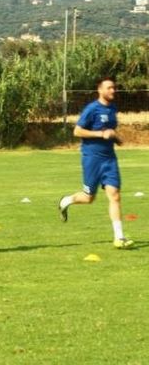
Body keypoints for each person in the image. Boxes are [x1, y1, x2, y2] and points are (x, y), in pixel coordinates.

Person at [58, 77, 134, 249]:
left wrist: (116, 138)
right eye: (109, 88)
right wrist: (100, 135)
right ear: (100, 90)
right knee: (88, 198)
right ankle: (66, 201)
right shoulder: (92, 109)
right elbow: (77, 131)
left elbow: (110, 131)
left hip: (109, 159)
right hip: (92, 159)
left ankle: (119, 237)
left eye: (114, 88)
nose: (113, 91)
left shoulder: (113, 108)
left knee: (115, 195)